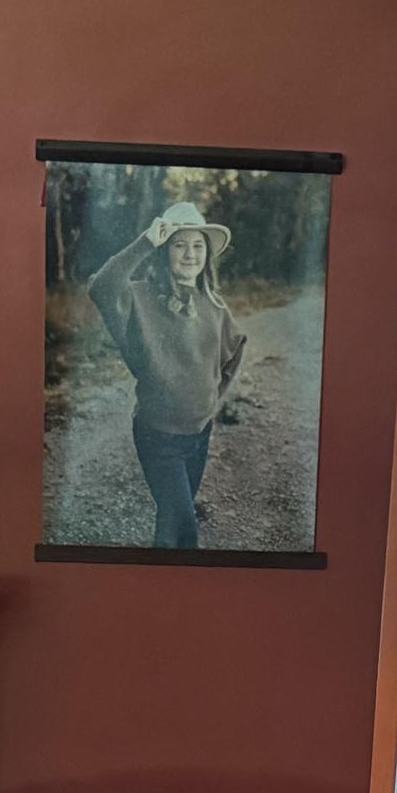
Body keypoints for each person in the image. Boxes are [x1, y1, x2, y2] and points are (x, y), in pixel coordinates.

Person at [85, 198, 248, 549]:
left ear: (207, 255)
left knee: (174, 516)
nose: (190, 254)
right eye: (178, 245)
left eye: (197, 245)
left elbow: (234, 352)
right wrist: (146, 242)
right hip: (158, 437)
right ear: (163, 251)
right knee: (183, 530)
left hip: (200, 434)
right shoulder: (139, 298)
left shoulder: (214, 306)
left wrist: (212, 400)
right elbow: (101, 286)